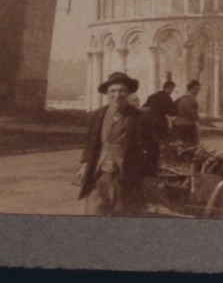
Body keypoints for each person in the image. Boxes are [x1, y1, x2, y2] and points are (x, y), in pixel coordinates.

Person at [78, 71, 161, 216]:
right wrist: (85, 164)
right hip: (99, 175)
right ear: (107, 93)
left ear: (128, 93)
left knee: (124, 217)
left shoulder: (140, 118)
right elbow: (91, 142)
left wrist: (149, 175)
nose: (117, 95)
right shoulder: (97, 116)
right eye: (113, 91)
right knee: (93, 214)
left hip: (126, 176)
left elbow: (153, 148)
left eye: (122, 91)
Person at [172, 80, 202, 149]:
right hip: (187, 126)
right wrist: (197, 120)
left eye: (198, 89)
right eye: (196, 89)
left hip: (178, 124)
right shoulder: (189, 99)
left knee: (179, 146)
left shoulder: (181, 98)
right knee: (190, 146)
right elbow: (191, 113)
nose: (197, 91)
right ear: (191, 89)